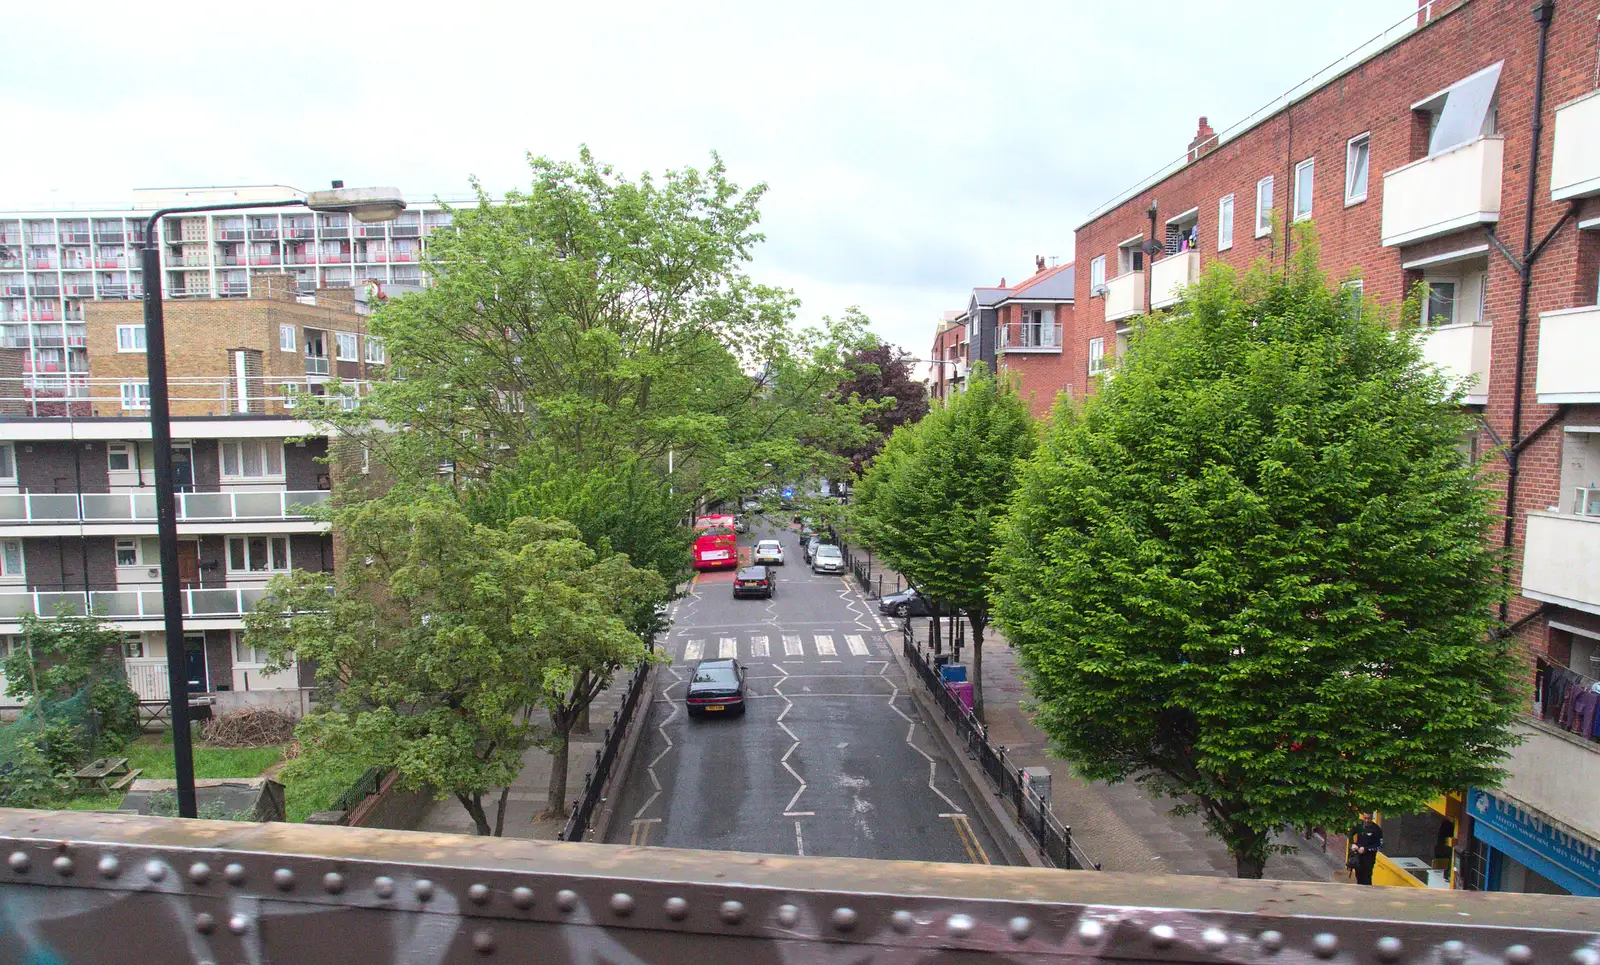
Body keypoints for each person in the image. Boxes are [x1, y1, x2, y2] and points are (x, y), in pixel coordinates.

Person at [1350, 812, 1384, 886]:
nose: (1367, 820)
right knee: (1358, 876)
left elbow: (1379, 845)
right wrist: (1353, 844)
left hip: (1369, 857)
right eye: (1365, 818)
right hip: (1358, 856)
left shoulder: (1377, 829)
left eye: (1369, 819)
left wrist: (1366, 849)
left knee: (1367, 878)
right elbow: (1350, 834)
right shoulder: (1359, 825)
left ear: (1372, 818)